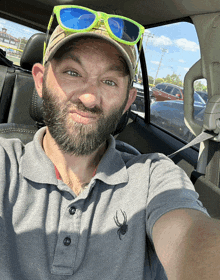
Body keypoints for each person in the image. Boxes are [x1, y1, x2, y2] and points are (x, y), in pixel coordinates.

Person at [1, 5, 220, 280]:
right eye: (73, 73)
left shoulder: (153, 176)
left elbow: (189, 237)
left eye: (109, 81)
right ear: (41, 81)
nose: (89, 98)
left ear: (128, 101)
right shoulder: (5, 163)